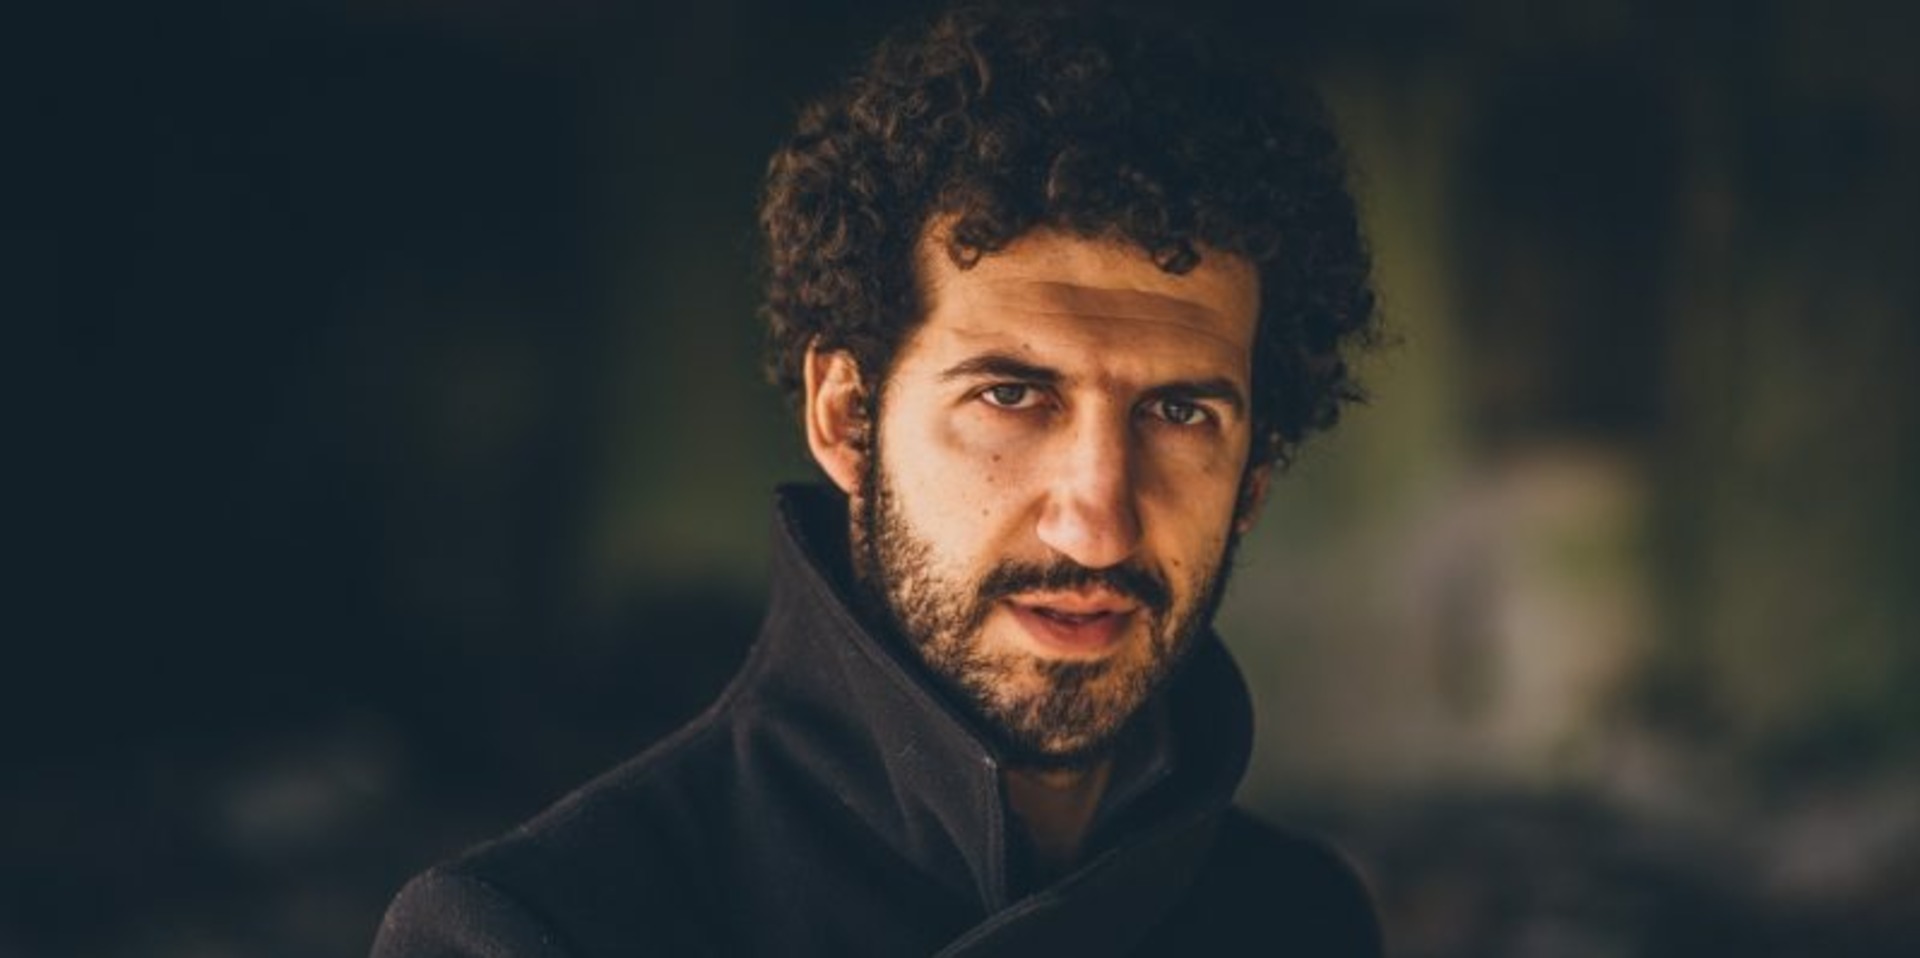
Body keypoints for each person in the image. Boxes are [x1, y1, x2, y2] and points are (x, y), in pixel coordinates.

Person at [373, 3, 1382, 955]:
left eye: (1179, 413)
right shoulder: (537, 931)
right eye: (1011, 396)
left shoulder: (1302, 919)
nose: (1096, 526)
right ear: (847, 417)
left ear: (1255, 475)